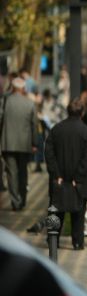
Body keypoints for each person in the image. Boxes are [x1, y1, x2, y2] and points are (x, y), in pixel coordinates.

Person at [44, 97, 87, 250]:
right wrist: (78, 177)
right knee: (78, 213)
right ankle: (77, 242)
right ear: (82, 112)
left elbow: (49, 153)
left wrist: (56, 174)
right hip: (79, 182)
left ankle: (53, 240)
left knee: (56, 211)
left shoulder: (56, 129)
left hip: (59, 180)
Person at [0, 77, 38, 211]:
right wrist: (34, 143)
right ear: (23, 88)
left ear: (13, 87)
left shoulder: (5, 102)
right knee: (23, 172)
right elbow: (34, 125)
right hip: (24, 144)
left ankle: (15, 201)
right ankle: (22, 199)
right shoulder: (30, 104)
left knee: (12, 173)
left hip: (8, 143)